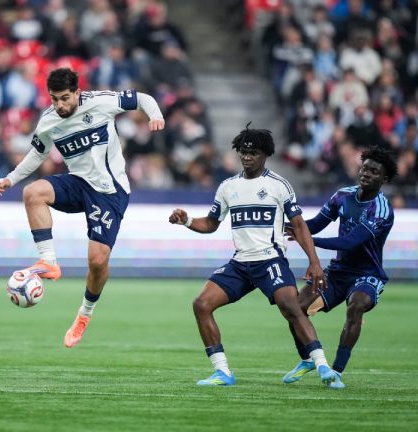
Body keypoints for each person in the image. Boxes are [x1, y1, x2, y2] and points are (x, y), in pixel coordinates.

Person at [0, 68, 165, 348]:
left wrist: (155, 115)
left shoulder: (101, 102)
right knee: (33, 192)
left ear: (77, 93)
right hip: (78, 184)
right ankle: (48, 261)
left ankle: (84, 315)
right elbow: (37, 154)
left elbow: (143, 98)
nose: (59, 105)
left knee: (97, 262)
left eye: (64, 98)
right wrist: (9, 179)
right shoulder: (48, 120)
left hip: (110, 191)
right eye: (54, 99)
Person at [168, 125, 339, 387]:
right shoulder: (228, 187)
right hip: (240, 263)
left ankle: (323, 366)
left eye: (254, 153)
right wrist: (187, 220)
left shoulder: (279, 185)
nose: (248, 157)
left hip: (270, 259)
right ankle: (222, 372)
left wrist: (314, 262)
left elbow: (300, 225)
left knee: (291, 308)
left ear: (266, 155)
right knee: (201, 304)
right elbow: (212, 223)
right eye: (244, 152)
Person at [282, 146, 396, 389]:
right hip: (338, 272)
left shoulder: (381, 209)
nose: (366, 174)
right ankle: (308, 359)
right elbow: (315, 224)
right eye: (365, 168)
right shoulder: (342, 195)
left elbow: (350, 241)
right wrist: (290, 225)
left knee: (356, 306)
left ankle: (337, 371)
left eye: (374, 172)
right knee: (294, 308)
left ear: (384, 179)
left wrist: (307, 240)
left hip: (367, 274)